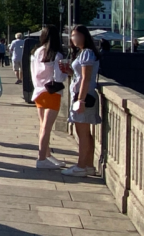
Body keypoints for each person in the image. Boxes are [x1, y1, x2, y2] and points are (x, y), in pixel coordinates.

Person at [64, 25, 100, 177]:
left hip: (83, 96)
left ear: (84, 36)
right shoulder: (83, 53)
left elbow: (86, 78)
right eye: (72, 36)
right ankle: (89, 165)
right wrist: (69, 72)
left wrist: (81, 100)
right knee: (86, 133)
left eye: (75, 35)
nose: (73, 38)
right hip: (83, 95)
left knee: (82, 133)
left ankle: (81, 166)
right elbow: (80, 76)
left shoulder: (87, 53)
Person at [30, 26, 68, 169]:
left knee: (43, 126)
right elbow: (59, 77)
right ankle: (41, 158)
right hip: (52, 91)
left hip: (39, 91)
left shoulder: (37, 52)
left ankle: (47, 155)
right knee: (47, 127)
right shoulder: (56, 55)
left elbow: (33, 73)